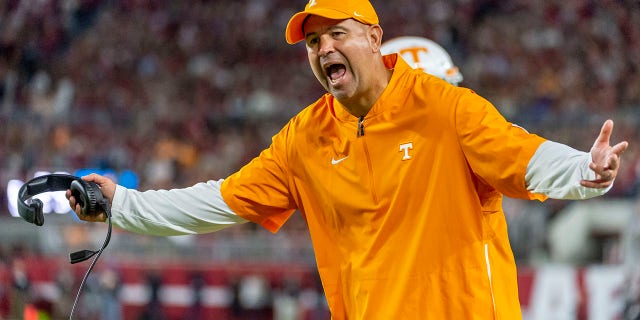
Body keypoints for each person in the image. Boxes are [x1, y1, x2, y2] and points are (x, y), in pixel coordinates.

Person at [66, 0, 629, 319]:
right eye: (313, 43)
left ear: (375, 39)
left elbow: (524, 156)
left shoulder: (445, 108)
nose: (324, 49)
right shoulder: (304, 139)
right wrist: (124, 205)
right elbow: (217, 202)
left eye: (337, 34)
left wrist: (587, 171)